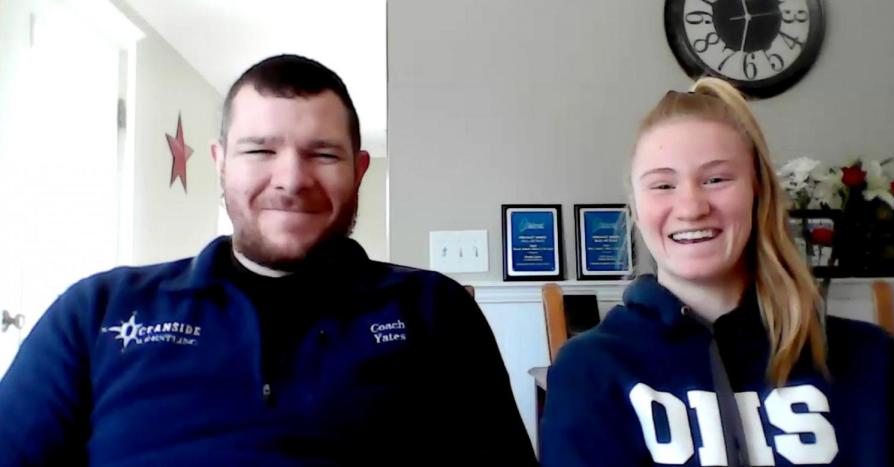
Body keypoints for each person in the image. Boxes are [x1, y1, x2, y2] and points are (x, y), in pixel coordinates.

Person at [0, 55, 537, 466]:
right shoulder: (97, 311)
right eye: (259, 151)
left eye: (323, 154)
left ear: (359, 170)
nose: (291, 179)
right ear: (220, 163)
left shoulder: (434, 311)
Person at [539, 77, 894, 466]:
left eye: (716, 178)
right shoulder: (590, 371)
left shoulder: (871, 360)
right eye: (663, 185)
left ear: (759, 192)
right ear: (636, 206)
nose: (690, 207)